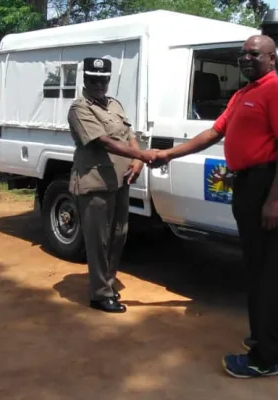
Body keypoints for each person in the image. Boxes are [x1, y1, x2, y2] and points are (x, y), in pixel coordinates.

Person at [152, 35, 278, 378]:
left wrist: (275, 198)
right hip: (251, 184)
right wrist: (168, 154)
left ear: (271, 57)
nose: (246, 59)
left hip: (269, 183)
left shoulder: (277, 89)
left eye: (254, 54)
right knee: (267, 265)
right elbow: (213, 133)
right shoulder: (243, 94)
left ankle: (264, 358)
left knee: (262, 268)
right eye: (243, 54)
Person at [67, 57, 157, 313]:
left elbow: (129, 135)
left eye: (103, 79)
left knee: (118, 235)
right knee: (98, 239)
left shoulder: (114, 105)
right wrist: (142, 156)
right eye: (93, 79)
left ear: (108, 79)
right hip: (95, 181)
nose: (98, 84)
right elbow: (103, 142)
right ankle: (99, 294)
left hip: (120, 180)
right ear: (85, 79)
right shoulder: (80, 108)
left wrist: (137, 159)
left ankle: (107, 282)